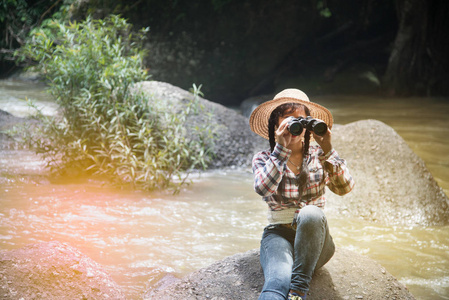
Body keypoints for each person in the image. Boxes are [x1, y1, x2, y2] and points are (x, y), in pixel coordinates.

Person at [249, 89, 355, 300]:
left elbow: (345, 188)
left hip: (316, 238)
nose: (295, 127)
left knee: (310, 213)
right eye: (288, 120)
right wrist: (280, 149)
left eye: (300, 121)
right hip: (278, 234)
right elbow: (263, 188)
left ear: (308, 125)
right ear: (275, 124)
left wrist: (328, 150)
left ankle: (298, 291)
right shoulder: (264, 158)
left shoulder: (319, 157)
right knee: (277, 281)